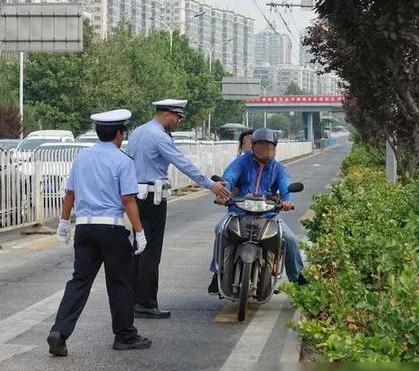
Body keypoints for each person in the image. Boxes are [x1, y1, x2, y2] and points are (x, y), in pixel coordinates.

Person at [47, 109, 151, 355]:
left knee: (79, 282)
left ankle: (59, 332)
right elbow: (128, 200)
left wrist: (63, 222)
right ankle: (124, 335)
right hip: (111, 228)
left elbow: (69, 194)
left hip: (84, 228)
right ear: (119, 134)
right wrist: (139, 231)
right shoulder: (123, 161)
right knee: (120, 282)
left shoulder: (82, 158)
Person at [126, 99, 231, 318]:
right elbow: (183, 163)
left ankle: (134, 300)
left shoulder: (138, 132)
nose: (178, 123)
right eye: (177, 118)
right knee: (150, 251)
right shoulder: (159, 137)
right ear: (167, 115)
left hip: (136, 196)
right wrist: (211, 185)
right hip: (153, 198)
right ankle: (146, 303)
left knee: (138, 247)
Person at [208, 128, 307, 295]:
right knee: (220, 230)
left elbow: (285, 185)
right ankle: (218, 271)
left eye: (269, 146)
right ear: (253, 146)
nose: (265, 149)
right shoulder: (241, 162)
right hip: (238, 212)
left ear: (275, 148)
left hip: (269, 215)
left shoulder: (278, 168)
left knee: (289, 239)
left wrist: (287, 200)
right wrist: (223, 194)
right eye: (261, 145)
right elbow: (229, 177)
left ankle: (298, 279)